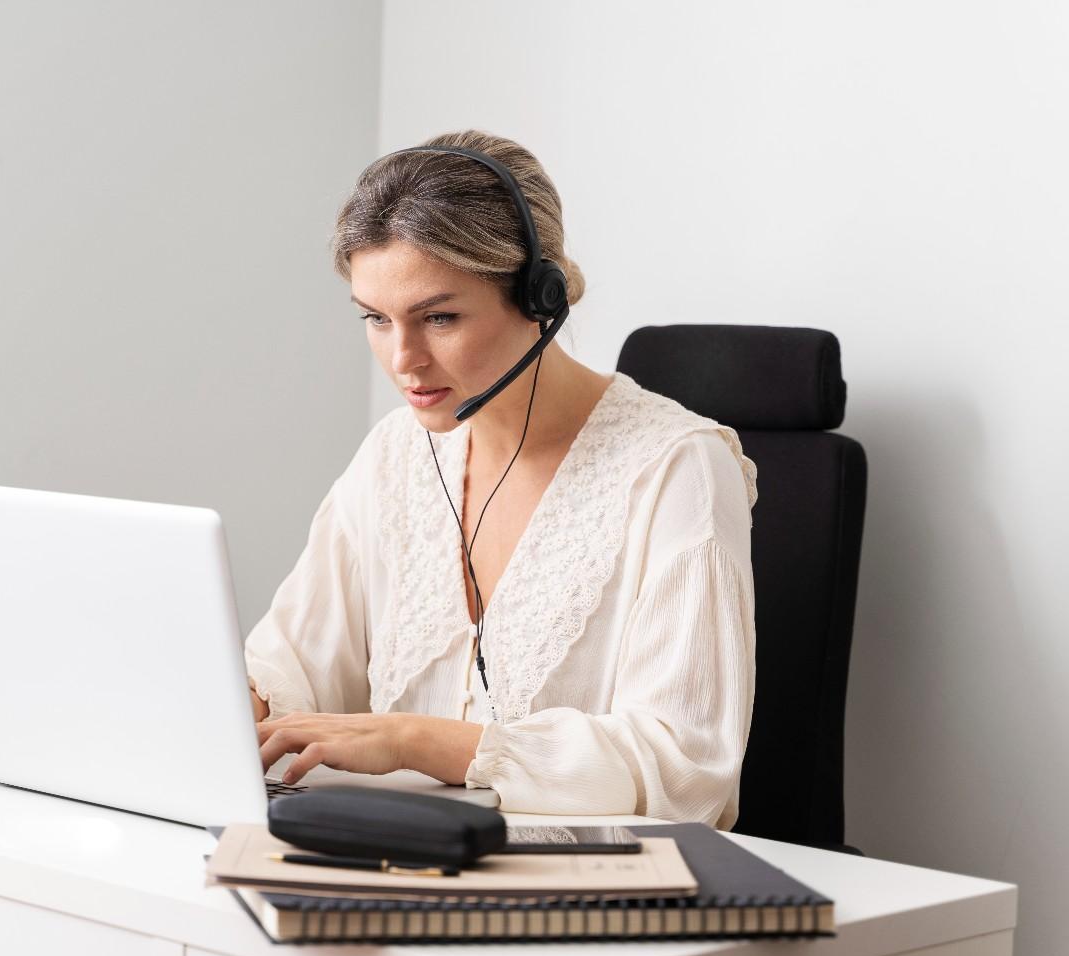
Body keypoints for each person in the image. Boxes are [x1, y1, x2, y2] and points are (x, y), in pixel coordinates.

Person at [245, 129, 759, 828]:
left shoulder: (677, 469)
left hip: (580, 900)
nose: (404, 360)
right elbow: (294, 666)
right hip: (401, 862)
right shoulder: (395, 454)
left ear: (540, 297)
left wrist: (415, 740)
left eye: (440, 317)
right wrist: (243, 706)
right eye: (376, 319)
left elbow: (687, 773)